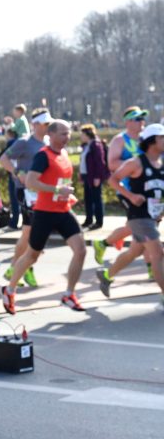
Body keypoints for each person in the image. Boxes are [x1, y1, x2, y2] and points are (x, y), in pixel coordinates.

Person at [1, 120, 87, 314]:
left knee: (80, 250)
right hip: (45, 212)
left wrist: (66, 193)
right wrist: (57, 189)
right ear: (52, 135)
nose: (68, 137)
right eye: (63, 134)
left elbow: (61, 180)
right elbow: (31, 182)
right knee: (32, 255)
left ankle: (69, 294)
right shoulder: (43, 156)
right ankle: (10, 289)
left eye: (69, 133)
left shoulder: (64, 154)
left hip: (64, 210)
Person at [96, 123, 164, 312]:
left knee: (134, 252)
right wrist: (131, 196)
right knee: (157, 254)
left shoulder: (161, 163)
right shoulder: (137, 162)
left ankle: (107, 275)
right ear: (152, 142)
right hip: (139, 215)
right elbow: (112, 180)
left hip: (153, 217)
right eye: (162, 138)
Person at [0, 108, 53, 287]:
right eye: (45, 124)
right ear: (35, 124)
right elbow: (3, 159)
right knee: (31, 232)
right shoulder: (24, 142)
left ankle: (18, 267)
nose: (48, 126)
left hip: (43, 191)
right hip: (26, 191)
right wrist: (17, 172)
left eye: (49, 123)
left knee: (32, 232)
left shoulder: (48, 143)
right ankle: (21, 267)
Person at [93, 106, 148, 266]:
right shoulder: (120, 140)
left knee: (141, 226)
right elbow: (111, 164)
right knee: (141, 226)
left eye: (143, 119)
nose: (142, 122)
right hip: (127, 190)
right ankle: (104, 244)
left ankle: (107, 243)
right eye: (138, 119)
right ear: (129, 122)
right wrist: (136, 165)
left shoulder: (145, 139)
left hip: (146, 191)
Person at [79, 124, 109, 230]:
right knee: (88, 199)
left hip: (94, 177)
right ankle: (89, 220)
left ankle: (99, 222)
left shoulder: (96, 145)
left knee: (96, 199)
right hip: (87, 175)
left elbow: (100, 162)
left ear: (88, 134)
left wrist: (97, 177)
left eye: (82, 134)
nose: (81, 136)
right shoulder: (86, 145)